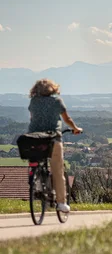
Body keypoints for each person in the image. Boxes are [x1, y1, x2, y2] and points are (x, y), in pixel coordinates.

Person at [28, 79, 82, 213]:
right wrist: (75, 128)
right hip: (52, 138)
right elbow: (66, 119)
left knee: (36, 160)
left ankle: (36, 177)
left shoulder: (33, 101)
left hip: (34, 137)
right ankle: (61, 203)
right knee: (57, 169)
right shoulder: (56, 101)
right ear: (52, 88)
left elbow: (32, 118)